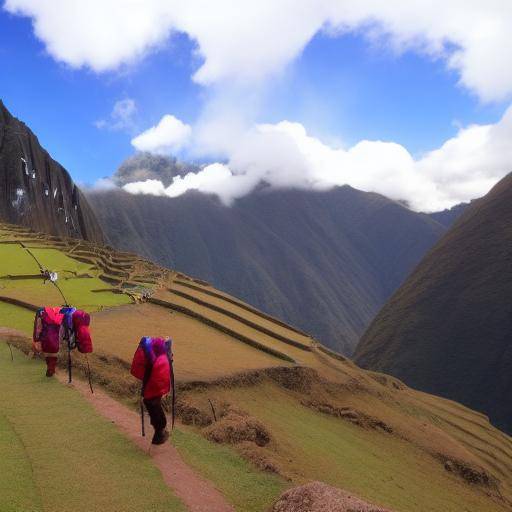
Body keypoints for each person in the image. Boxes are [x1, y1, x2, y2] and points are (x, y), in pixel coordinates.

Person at [131, 337, 173, 445]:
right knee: (153, 404)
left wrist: (145, 391)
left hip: (154, 386)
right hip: (158, 386)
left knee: (151, 403)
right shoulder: (160, 356)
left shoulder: (154, 358)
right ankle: (159, 429)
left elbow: (150, 377)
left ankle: (159, 431)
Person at [32, 306, 64, 377]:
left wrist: (36, 339)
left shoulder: (40, 313)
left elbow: (38, 328)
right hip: (56, 340)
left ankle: (50, 368)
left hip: (45, 339)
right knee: (53, 354)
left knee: (47, 354)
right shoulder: (61, 315)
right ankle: (51, 368)